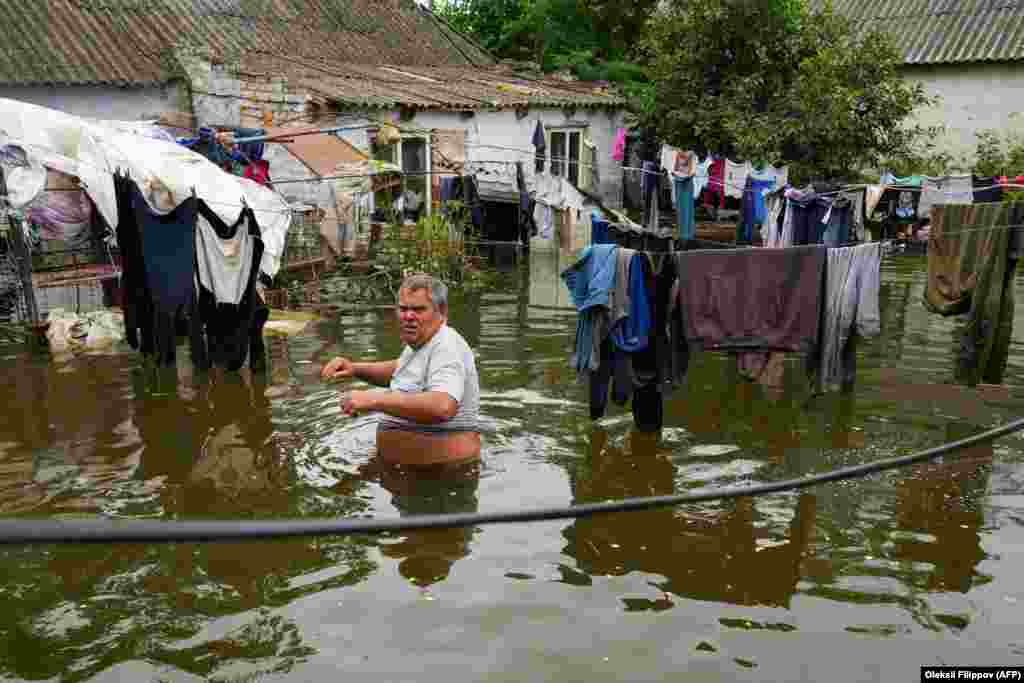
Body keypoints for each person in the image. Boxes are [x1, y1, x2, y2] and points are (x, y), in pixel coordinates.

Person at [320, 273, 481, 465]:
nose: (408, 316)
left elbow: (442, 406)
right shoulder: (423, 341)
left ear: (442, 311)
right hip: (406, 473)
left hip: (439, 477)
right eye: (403, 309)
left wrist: (371, 399)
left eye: (419, 309)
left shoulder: (446, 346)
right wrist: (355, 369)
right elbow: (403, 370)